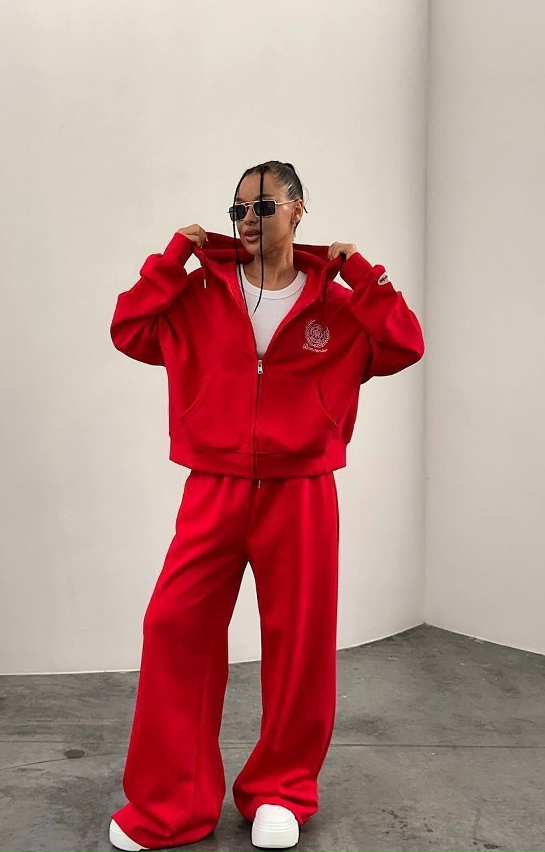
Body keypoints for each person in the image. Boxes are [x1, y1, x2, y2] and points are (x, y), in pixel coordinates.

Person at [108, 161, 425, 850]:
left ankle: (282, 790)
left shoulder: (336, 304)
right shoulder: (199, 293)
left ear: (298, 210)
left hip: (301, 490)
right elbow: (129, 329)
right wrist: (173, 258)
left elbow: (404, 343)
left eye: (264, 206)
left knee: (300, 644)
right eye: (238, 209)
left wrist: (362, 274)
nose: (249, 219)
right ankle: (172, 802)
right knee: (174, 630)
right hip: (214, 486)